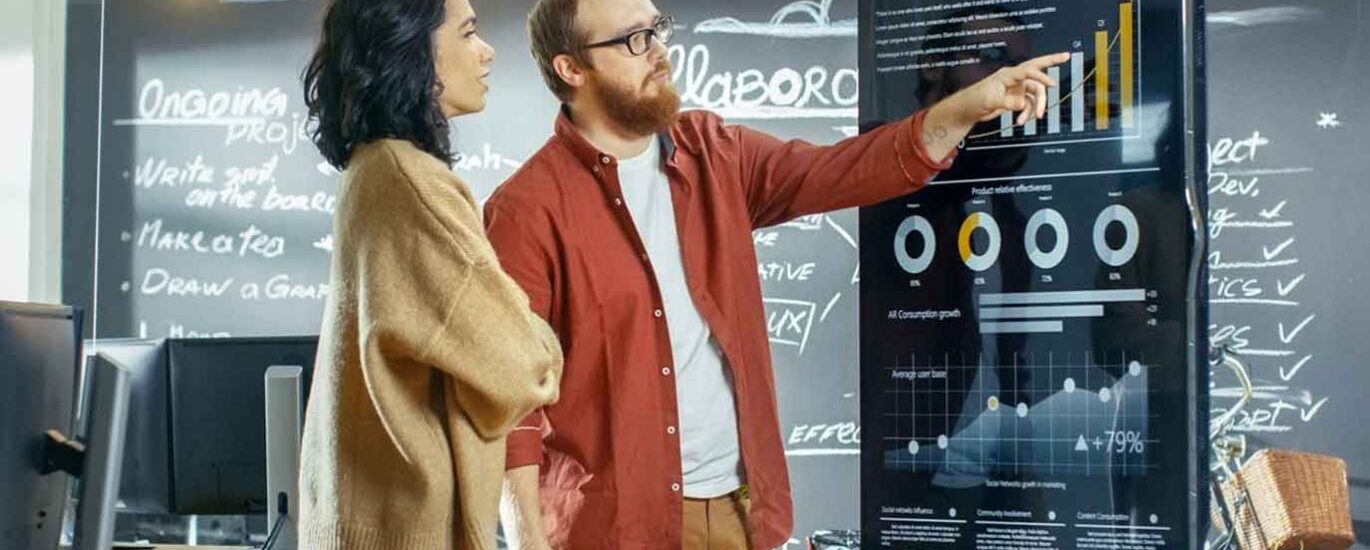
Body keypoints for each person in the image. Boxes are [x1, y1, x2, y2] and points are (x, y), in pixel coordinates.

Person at [485, 0, 1068, 547]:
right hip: (613, 527)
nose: (659, 51)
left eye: (658, 29)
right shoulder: (525, 211)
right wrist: (527, 539)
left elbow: (846, 169)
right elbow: (514, 410)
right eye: (634, 40)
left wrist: (966, 107)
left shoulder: (714, 152)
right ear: (572, 68)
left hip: (737, 513)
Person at [297, 0, 563, 548]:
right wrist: (542, 340)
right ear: (412, 52)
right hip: (412, 530)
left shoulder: (373, 167)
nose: (487, 52)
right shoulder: (413, 183)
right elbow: (521, 365)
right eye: (468, 33)